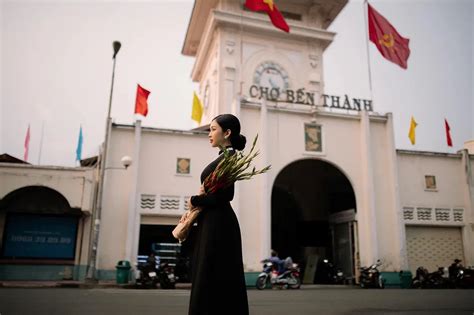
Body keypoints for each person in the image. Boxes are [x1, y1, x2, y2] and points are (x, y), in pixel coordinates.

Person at [187, 114, 249, 315]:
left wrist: (195, 201)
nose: (209, 134)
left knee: (212, 275)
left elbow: (225, 196)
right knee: (211, 275)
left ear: (227, 133)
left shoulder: (230, 158)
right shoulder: (224, 157)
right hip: (214, 222)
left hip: (219, 225)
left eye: (213, 129)